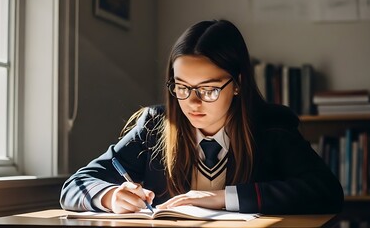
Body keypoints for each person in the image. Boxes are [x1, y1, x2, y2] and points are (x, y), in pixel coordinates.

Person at [60, 19, 343, 215]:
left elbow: (326, 192)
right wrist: (110, 196)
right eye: (181, 87)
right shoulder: (155, 126)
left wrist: (222, 199)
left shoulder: (272, 126)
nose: (192, 102)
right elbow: (76, 185)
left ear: (237, 84)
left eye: (208, 89)